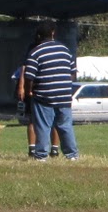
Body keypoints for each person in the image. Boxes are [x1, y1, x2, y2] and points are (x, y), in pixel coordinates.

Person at [22, 22, 78, 161]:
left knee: (43, 126)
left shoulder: (36, 52)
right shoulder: (65, 50)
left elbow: (29, 76)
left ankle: (41, 155)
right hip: (64, 95)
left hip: (44, 95)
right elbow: (72, 73)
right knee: (65, 126)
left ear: (39, 36)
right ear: (53, 33)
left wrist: (29, 91)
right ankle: (72, 155)